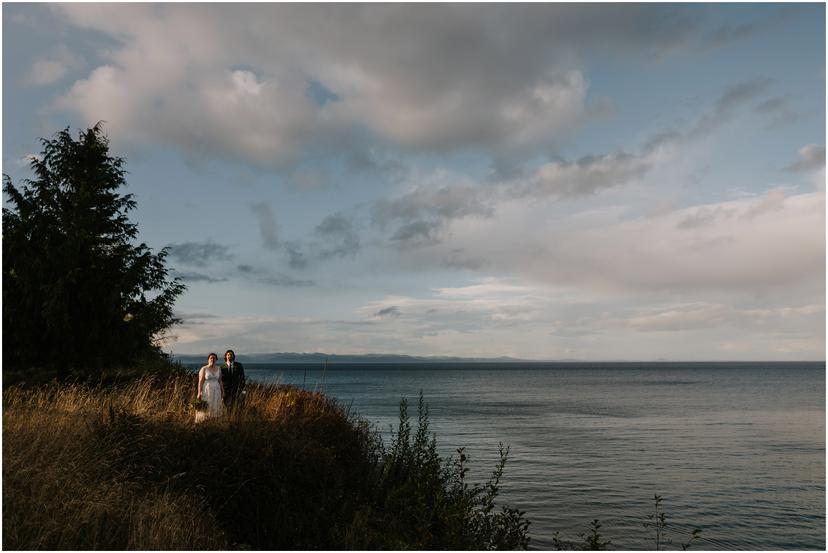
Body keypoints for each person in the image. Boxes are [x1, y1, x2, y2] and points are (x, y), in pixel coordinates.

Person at [195, 353, 224, 423]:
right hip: (207, 389)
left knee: (215, 405)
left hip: (217, 390)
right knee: (207, 405)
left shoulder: (219, 368)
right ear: (208, 359)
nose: (212, 359)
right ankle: (204, 422)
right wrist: (199, 392)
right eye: (211, 358)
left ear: (216, 360)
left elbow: (220, 381)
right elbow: (200, 381)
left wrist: (223, 390)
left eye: (214, 358)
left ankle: (214, 422)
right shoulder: (204, 368)